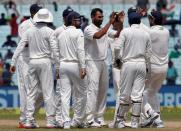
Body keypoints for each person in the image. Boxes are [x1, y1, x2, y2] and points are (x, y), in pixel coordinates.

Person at [10, 8, 60, 128]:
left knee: (31, 93)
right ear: (47, 19)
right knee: (48, 92)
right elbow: (55, 50)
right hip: (45, 62)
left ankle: (28, 120)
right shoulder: (50, 31)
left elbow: (20, 46)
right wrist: (58, 66)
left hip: (32, 62)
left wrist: (13, 62)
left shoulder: (29, 31)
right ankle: (50, 121)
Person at [84, 8, 122, 127]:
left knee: (103, 91)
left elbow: (117, 34)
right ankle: (89, 119)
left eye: (102, 17)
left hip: (103, 62)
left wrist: (119, 22)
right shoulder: (88, 29)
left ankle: (99, 117)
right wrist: (110, 22)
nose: (101, 19)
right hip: (92, 62)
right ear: (92, 17)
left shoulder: (104, 28)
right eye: (99, 17)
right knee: (93, 90)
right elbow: (99, 35)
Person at [114, 12, 151, 128]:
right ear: (140, 21)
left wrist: (117, 59)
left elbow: (116, 47)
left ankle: (120, 121)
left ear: (129, 21)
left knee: (124, 94)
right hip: (141, 64)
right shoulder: (146, 34)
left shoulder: (125, 31)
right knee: (137, 95)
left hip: (128, 63)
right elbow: (149, 54)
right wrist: (147, 67)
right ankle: (135, 122)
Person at [57, 11, 87, 129]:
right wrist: (83, 67)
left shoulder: (61, 34)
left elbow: (58, 53)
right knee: (82, 93)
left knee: (65, 95)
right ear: (72, 20)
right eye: (78, 20)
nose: (79, 22)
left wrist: (58, 68)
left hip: (63, 65)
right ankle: (78, 120)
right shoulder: (78, 32)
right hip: (75, 65)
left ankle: (66, 122)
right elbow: (80, 50)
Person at [14, 4, 42, 128]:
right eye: (39, 12)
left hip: (38, 60)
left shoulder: (42, 24)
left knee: (41, 91)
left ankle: (31, 117)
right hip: (25, 60)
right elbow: (23, 44)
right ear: (33, 13)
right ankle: (23, 119)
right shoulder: (24, 25)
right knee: (25, 91)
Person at [141, 10, 169, 128]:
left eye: (149, 18)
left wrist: (139, 16)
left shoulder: (151, 32)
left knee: (139, 93)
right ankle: (158, 120)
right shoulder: (166, 31)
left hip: (153, 67)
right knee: (152, 93)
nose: (148, 20)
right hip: (164, 68)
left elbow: (138, 25)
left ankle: (152, 116)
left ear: (152, 20)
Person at [54, 7, 73, 127]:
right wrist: (57, 67)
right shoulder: (58, 31)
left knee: (75, 94)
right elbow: (54, 51)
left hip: (73, 65)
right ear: (64, 17)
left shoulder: (76, 29)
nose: (70, 17)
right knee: (60, 93)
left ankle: (74, 119)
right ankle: (58, 118)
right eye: (68, 16)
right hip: (61, 65)